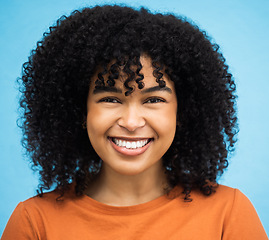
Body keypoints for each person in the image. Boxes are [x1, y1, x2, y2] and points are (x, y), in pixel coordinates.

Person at [1, 5, 267, 240]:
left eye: (153, 100)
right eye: (110, 99)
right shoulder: (34, 222)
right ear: (79, 111)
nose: (130, 122)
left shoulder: (228, 213)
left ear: (183, 112)